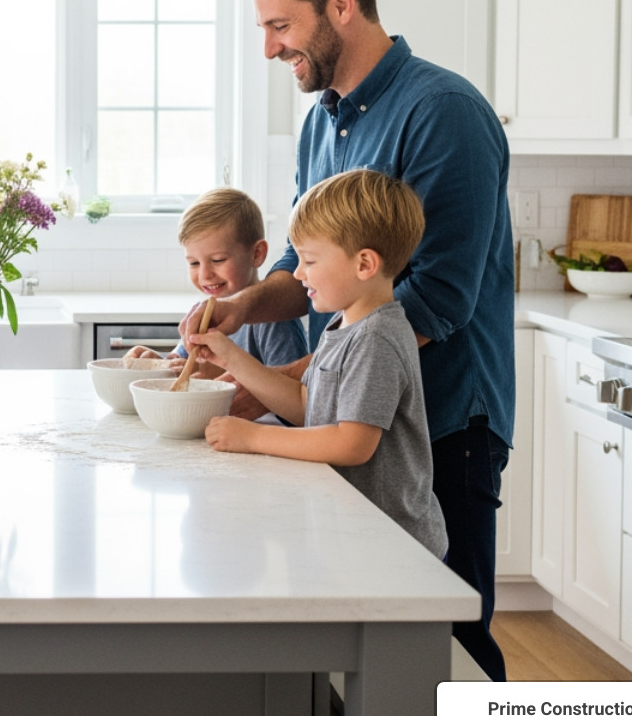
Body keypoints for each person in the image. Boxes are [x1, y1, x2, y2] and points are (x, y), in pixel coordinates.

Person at [191, 0, 514, 680]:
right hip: (347, 416)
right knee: (366, 639)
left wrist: (289, 388)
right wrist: (240, 307)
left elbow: (432, 301)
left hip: (442, 425)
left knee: (449, 642)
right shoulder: (322, 122)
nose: (270, 49)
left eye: (280, 25)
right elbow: (297, 271)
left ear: (340, 5)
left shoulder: (443, 112)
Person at [186, 170, 447, 560]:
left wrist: (252, 438)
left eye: (309, 259)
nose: (297, 273)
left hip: (393, 543)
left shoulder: (377, 338)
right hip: (356, 532)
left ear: (364, 264)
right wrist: (230, 356)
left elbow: (351, 443)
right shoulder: (345, 324)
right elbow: (308, 404)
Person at [125, 187, 306, 373]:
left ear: (257, 254)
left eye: (218, 260)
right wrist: (160, 362)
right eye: (194, 263)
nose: (204, 275)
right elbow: (182, 364)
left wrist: (212, 374)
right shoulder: (204, 315)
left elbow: (290, 388)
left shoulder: (276, 322)